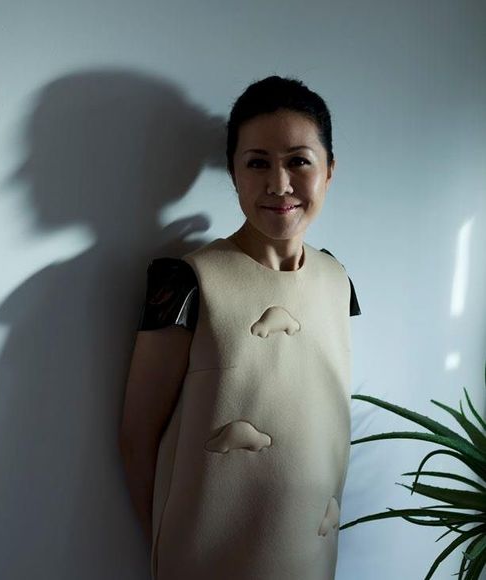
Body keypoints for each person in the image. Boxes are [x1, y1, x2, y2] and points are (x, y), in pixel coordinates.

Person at [119, 75, 361, 580]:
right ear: (234, 172)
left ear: (330, 170)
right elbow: (137, 437)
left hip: (313, 557)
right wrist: (168, 546)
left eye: (299, 161)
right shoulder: (186, 281)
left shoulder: (338, 280)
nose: (279, 184)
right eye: (257, 163)